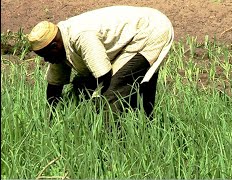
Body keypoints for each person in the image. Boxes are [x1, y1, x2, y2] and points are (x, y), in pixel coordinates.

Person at [27, 5, 174, 120]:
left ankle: (113, 146)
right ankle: (144, 128)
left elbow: (103, 75)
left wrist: (88, 94)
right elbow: (54, 86)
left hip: (149, 31)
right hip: (133, 36)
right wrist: (49, 119)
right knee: (88, 87)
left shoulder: (81, 36)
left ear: (54, 46)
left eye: (45, 56)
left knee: (111, 94)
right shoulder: (58, 47)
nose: (46, 60)